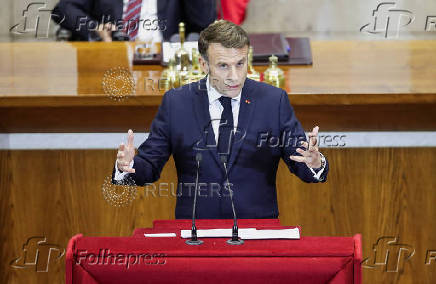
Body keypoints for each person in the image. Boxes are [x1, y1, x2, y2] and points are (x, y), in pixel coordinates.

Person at [112, 20, 329, 219]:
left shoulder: (273, 101)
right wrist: (128, 165)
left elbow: (302, 163)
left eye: (240, 64)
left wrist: (315, 162)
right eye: (223, 66)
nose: (234, 76)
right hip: (196, 232)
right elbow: (149, 166)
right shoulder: (177, 103)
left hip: (257, 232)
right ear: (204, 65)